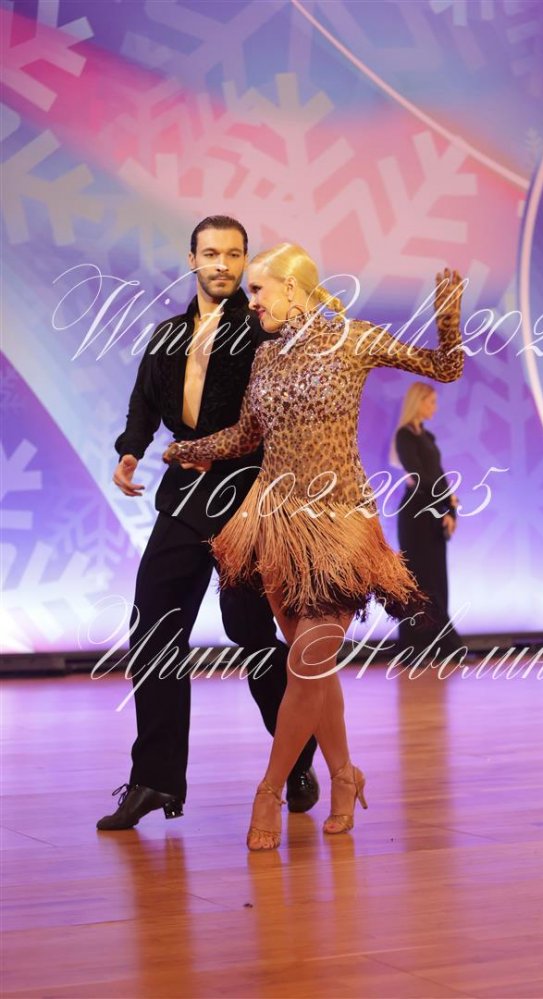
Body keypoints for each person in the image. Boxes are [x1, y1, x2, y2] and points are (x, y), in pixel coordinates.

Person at [164, 243, 465, 851]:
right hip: (277, 527)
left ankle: (269, 790)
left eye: (258, 289)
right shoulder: (266, 355)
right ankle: (345, 776)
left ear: (292, 287)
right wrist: (188, 449)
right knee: (314, 667)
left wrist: (449, 319)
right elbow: (248, 434)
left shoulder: (353, 339)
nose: (251, 301)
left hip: (339, 524)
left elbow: (445, 367)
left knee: (305, 664)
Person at [97, 218, 318, 832]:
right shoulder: (168, 334)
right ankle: (155, 779)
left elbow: (281, 413)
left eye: (235, 254)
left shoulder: (263, 329)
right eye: (212, 252)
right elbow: (144, 402)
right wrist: (131, 449)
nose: (223, 263)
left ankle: (297, 758)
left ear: (246, 262)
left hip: (246, 495)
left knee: (251, 632)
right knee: (153, 630)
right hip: (183, 494)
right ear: (192, 258)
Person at [391, 382, 461, 655]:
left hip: (434, 513)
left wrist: (450, 509)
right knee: (417, 581)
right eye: (431, 401)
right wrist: (446, 500)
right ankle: (413, 645)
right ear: (418, 402)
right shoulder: (404, 436)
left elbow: (439, 475)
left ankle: (440, 644)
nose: (435, 407)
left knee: (437, 580)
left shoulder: (428, 437)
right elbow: (419, 476)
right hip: (415, 516)